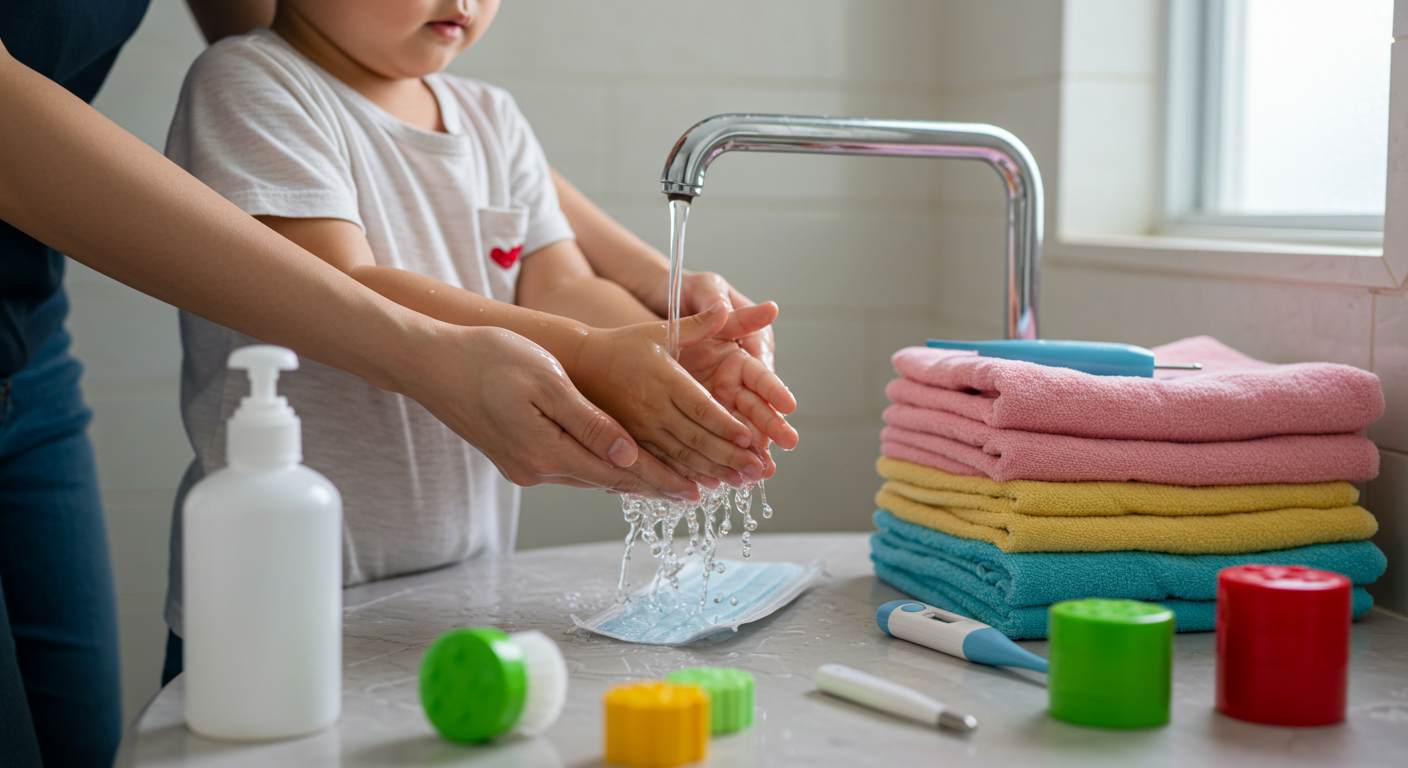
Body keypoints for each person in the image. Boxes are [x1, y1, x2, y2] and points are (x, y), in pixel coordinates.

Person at [0, 1, 788, 764]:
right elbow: (343, 279)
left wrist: (669, 358)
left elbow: (562, 288)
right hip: (273, 610)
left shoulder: (491, 119)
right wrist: (593, 352)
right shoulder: (254, 86)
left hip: (460, 595)